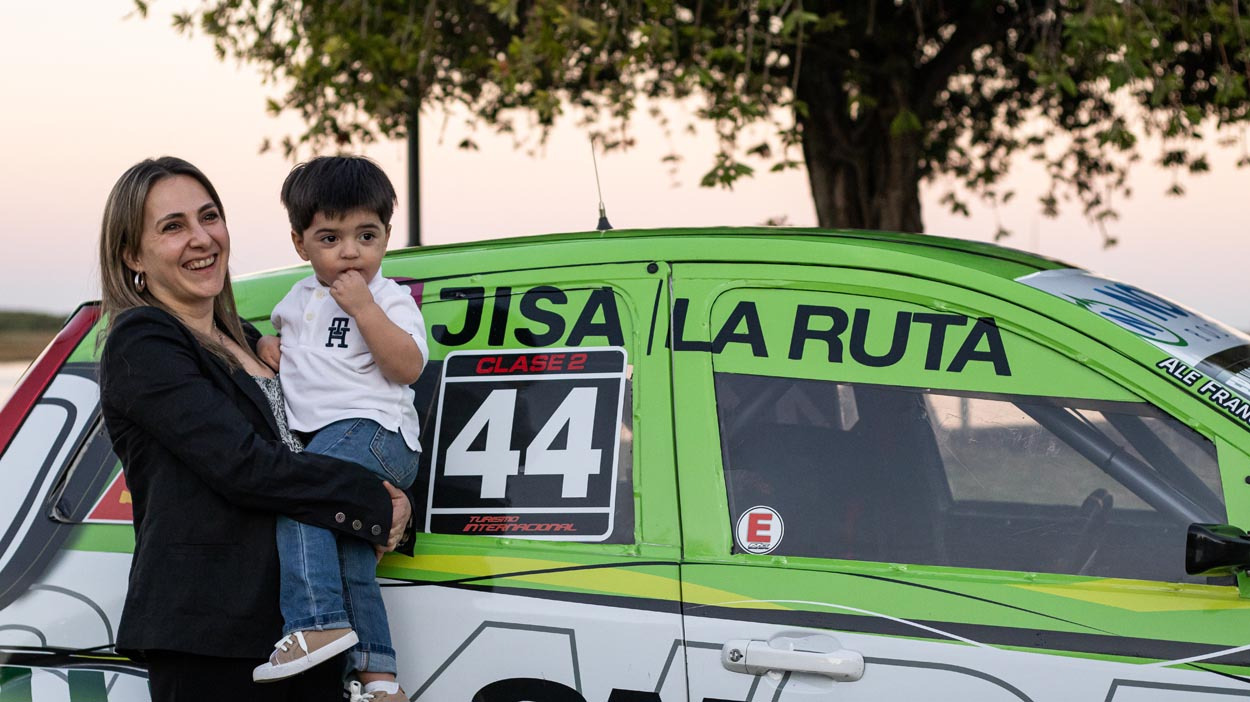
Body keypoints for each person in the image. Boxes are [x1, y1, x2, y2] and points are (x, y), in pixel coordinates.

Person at [97, 156, 412, 702]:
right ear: (132, 255)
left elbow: (344, 421)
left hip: (300, 631)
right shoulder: (143, 341)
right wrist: (375, 504)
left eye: (209, 217)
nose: (201, 238)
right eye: (173, 227)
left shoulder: (249, 338)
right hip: (213, 634)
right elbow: (243, 466)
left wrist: (393, 506)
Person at [250, 156, 424, 702]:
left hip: (376, 434)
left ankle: (315, 621)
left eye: (366, 236)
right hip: (331, 440)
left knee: (300, 492)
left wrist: (365, 309)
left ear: (387, 236)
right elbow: (295, 349)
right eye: (330, 238)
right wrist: (269, 346)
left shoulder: (389, 298)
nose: (351, 252)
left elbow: (407, 367)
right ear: (300, 244)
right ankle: (380, 679)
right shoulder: (297, 300)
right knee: (352, 559)